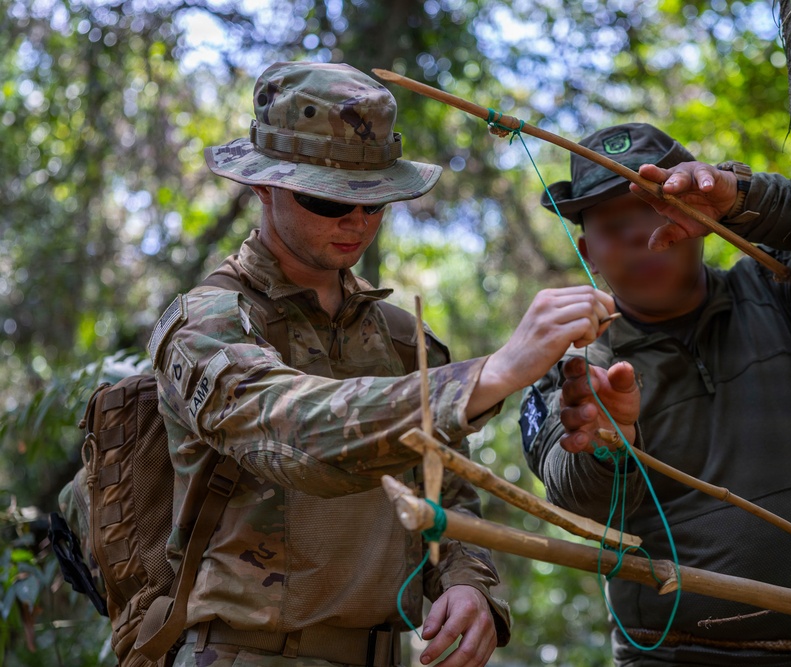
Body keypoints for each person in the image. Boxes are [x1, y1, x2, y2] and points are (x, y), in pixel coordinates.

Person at [152, 61, 616, 667]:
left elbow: (448, 495)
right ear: (262, 186)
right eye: (326, 197)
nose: (357, 221)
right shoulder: (207, 322)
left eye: (376, 201)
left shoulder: (400, 338)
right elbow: (296, 439)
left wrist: (467, 585)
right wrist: (490, 374)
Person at [520, 123, 791, 665]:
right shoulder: (576, 357)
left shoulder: (773, 289)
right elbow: (572, 490)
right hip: (674, 657)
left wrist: (743, 197)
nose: (637, 236)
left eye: (655, 210)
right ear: (587, 250)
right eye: (613, 226)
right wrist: (607, 445)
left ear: (699, 219)